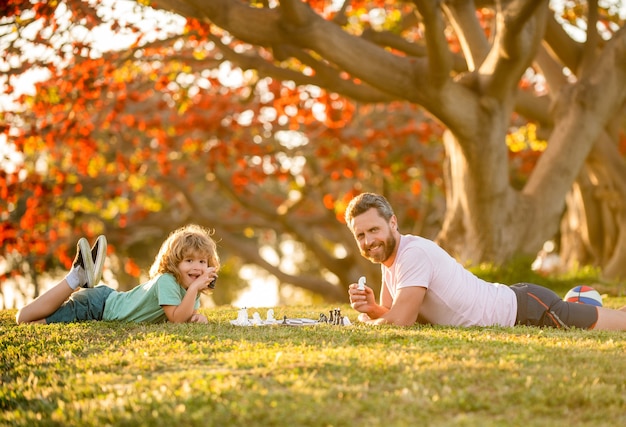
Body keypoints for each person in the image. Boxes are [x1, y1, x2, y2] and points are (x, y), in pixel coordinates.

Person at [345, 192, 626, 330]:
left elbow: (400, 323)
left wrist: (365, 322)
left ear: (392, 223)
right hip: (517, 301)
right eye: (361, 235)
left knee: (617, 324)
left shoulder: (413, 254)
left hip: (528, 310)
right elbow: (394, 313)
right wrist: (371, 309)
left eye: (374, 230)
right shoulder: (393, 262)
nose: (369, 241)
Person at [15, 224, 220, 325]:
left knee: (35, 321)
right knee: (25, 320)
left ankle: (80, 277)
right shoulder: (167, 280)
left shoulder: (190, 290)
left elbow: (183, 316)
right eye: (189, 261)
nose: (197, 267)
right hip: (97, 307)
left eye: (202, 261)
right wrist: (194, 288)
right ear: (175, 263)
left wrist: (196, 317)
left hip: (105, 300)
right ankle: (76, 277)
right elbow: (176, 319)